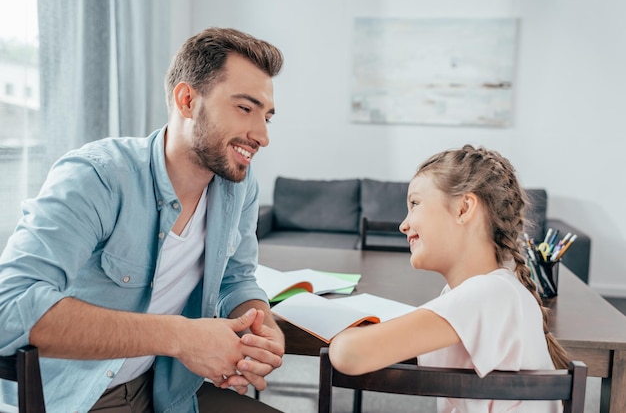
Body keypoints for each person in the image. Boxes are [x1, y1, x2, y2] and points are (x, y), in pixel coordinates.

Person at [0, 27, 286, 413]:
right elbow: (10, 308)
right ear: (187, 100)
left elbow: (237, 278)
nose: (262, 135)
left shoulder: (238, 183)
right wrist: (182, 338)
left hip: (168, 390)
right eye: (245, 109)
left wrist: (259, 327)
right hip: (78, 399)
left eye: (266, 116)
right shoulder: (98, 176)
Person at [329, 145, 570, 413]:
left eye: (415, 204)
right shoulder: (493, 291)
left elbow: (347, 354)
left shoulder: (487, 294)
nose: (403, 224)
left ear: (464, 208)